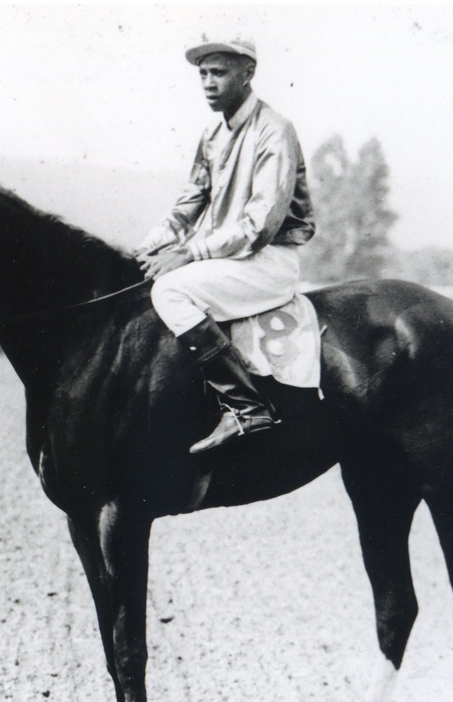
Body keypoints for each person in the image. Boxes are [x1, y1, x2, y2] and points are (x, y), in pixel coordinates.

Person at [133, 36, 316, 453]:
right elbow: (188, 205)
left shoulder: (275, 130)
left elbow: (260, 224)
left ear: (248, 73)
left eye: (219, 72)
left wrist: (189, 253)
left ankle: (247, 406)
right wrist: (144, 250)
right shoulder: (213, 133)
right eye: (203, 74)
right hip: (230, 260)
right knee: (146, 278)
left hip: (268, 259)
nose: (208, 83)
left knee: (170, 289)